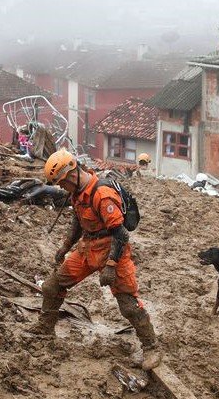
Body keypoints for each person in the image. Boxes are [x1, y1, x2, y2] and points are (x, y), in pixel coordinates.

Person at [30, 149, 161, 369]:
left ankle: (151, 347)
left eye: (62, 183)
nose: (61, 188)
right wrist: (65, 246)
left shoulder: (102, 194)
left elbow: (121, 234)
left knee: (128, 304)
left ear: (70, 175)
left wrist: (110, 265)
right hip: (87, 247)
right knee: (52, 286)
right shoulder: (79, 192)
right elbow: (78, 221)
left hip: (112, 249)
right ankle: (45, 329)